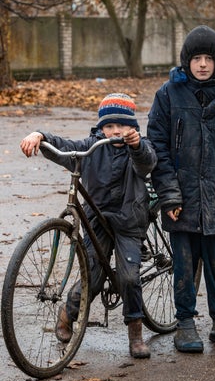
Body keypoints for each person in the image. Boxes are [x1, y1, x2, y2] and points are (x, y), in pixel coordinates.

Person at [19, 93, 157, 359]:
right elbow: (65, 146)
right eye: (109, 126)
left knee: (128, 276)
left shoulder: (138, 145)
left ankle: (135, 331)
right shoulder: (93, 147)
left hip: (129, 220)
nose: (116, 131)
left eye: (123, 125)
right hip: (99, 220)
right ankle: (67, 315)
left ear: (133, 127)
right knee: (92, 275)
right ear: (100, 128)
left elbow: (148, 162)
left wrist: (137, 145)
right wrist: (39, 136)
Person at [147, 25, 215, 353]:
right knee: (183, 263)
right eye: (197, 58)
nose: (203, 64)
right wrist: (169, 194)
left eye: (209, 58)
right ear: (186, 61)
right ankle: (185, 324)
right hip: (181, 199)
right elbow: (158, 149)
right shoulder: (168, 95)